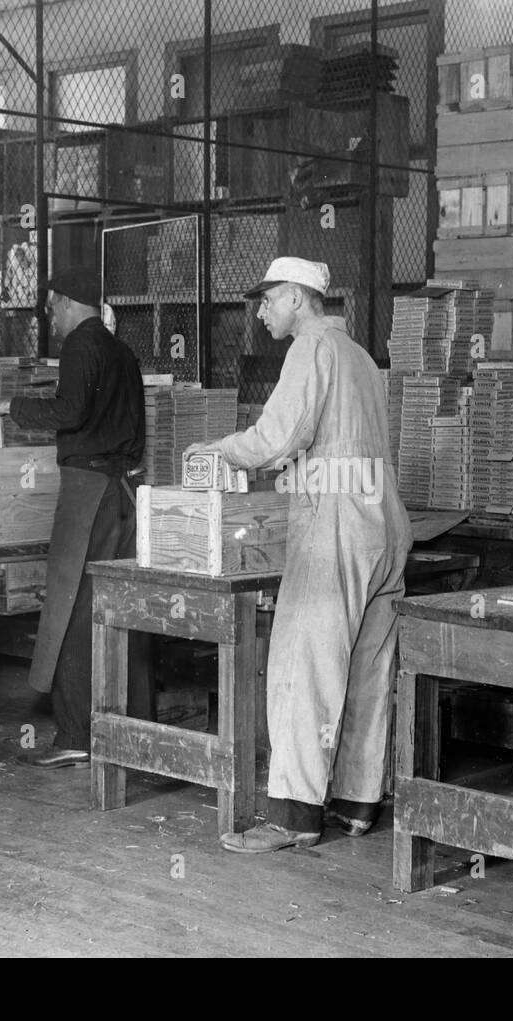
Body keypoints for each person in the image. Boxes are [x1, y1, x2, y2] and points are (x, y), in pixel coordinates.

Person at [187, 257, 413, 853]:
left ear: (296, 297)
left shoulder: (311, 348)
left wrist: (217, 452)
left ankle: (292, 818)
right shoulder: (361, 356)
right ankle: (357, 803)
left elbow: (278, 435)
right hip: (386, 521)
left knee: (302, 666)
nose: (261, 314)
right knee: (368, 668)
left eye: (267, 301)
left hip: (338, 524)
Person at [0, 266, 147, 769]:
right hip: (122, 493)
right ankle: (127, 728)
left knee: (70, 607)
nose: (51, 314)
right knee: (119, 606)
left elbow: (68, 414)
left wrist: (13, 406)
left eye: (52, 306)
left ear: (71, 303)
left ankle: (77, 733)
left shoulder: (79, 346)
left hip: (86, 491)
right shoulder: (122, 351)